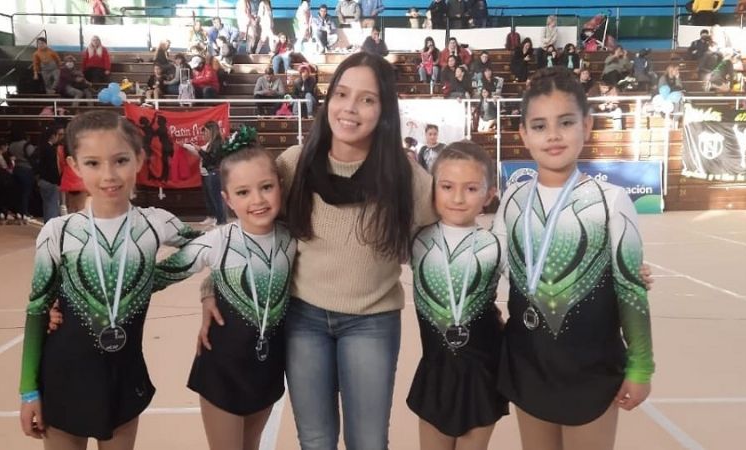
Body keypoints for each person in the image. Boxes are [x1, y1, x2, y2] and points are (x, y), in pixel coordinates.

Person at [197, 51, 436, 449]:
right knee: (316, 438)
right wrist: (210, 288)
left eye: (367, 99)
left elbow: (445, 236)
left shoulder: (404, 176)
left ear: (385, 109)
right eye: (342, 94)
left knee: (368, 441)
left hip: (371, 322)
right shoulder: (295, 165)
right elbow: (253, 237)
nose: (351, 108)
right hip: (303, 319)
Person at [492, 67, 654, 450]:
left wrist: (642, 365)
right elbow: (488, 267)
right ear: (523, 136)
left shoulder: (611, 200)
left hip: (592, 366)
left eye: (565, 122)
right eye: (539, 125)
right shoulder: (512, 201)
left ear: (587, 125)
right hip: (529, 362)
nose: (552, 135)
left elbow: (631, 294)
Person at [18, 110, 199, 448]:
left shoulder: (155, 223)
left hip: (123, 377)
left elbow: (212, 247)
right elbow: (37, 310)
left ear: (139, 159)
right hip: (63, 378)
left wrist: (156, 279)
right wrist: (28, 390)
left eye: (120, 160)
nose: (109, 175)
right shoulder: (59, 232)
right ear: (73, 165)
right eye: (93, 163)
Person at [156, 129, 297, 450]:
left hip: (268, 366)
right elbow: (155, 277)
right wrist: (63, 301)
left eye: (266, 187)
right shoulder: (218, 240)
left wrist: (209, 289)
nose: (258, 200)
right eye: (243, 192)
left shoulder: (292, 240)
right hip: (222, 368)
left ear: (280, 187)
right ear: (227, 199)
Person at [408, 140, 507, 449]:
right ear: (432, 188)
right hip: (435, 372)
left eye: (471, 189)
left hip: (482, 373)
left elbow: (537, 284)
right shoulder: (416, 240)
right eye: (447, 186)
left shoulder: (496, 245)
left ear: (489, 195)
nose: (458, 198)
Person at [182, 121, 228, 227]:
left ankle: (221, 220)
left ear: (211, 131)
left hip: (214, 172)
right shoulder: (213, 143)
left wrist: (200, 151)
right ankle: (218, 219)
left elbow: (211, 159)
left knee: (217, 198)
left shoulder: (217, 143)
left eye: (206, 132)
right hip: (211, 171)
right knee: (213, 197)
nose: (204, 134)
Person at [36, 126, 64, 223]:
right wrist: (57, 181)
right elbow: (53, 168)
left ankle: (47, 227)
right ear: (53, 136)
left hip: (42, 180)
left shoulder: (41, 148)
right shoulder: (51, 149)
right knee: (52, 206)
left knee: (47, 205)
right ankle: (51, 229)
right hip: (50, 181)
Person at [8, 127, 36, 224]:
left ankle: (18, 212)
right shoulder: (27, 145)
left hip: (16, 169)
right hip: (26, 169)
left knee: (17, 192)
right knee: (26, 192)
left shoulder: (11, 145)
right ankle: (25, 212)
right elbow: (33, 155)